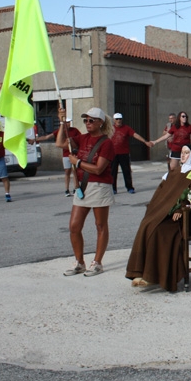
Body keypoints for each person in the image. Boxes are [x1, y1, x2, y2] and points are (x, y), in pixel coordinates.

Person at [126, 145, 191, 291]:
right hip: (166, 212)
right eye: (182, 153)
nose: (183, 156)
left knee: (161, 230)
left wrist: (182, 207)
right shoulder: (174, 172)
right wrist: (154, 208)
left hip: (184, 216)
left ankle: (154, 276)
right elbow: (161, 192)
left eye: (187, 153)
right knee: (146, 224)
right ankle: (140, 272)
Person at [57, 107, 116, 278]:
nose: (88, 123)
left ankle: (97, 262)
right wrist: (62, 123)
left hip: (99, 186)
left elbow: (99, 169)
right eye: (85, 120)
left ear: (100, 123)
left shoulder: (106, 143)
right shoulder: (82, 138)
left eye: (91, 120)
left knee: (100, 225)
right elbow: (60, 143)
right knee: (74, 226)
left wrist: (78, 162)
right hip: (82, 187)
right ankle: (79, 262)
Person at [35, 118, 81, 197]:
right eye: (66, 122)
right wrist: (36, 139)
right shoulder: (60, 131)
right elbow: (47, 137)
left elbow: (80, 139)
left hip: (74, 154)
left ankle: (75, 188)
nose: (68, 124)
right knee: (67, 172)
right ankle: (66, 189)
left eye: (69, 122)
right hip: (66, 155)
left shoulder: (75, 130)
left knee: (75, 172)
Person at [110, 113, 153, 195]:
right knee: (112, 172)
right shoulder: (110, 129)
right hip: (113, 154)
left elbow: (135, 135)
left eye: (120, 119)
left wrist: (145, 142)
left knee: (126, 171)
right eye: (117, 119)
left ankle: (129, 187)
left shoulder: (126, 128)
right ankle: (113, 189)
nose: (119, 121)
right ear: (114, 120)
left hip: (124, 153)